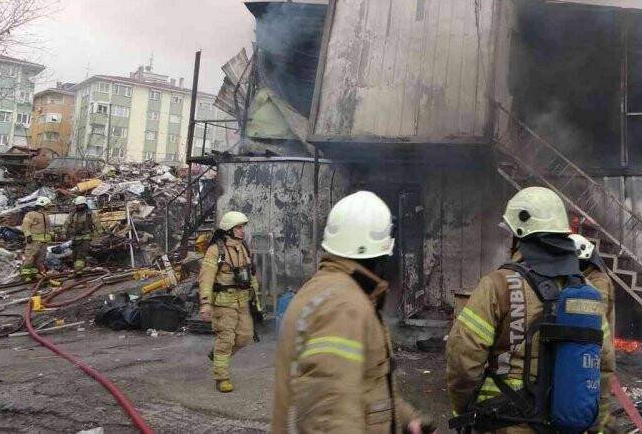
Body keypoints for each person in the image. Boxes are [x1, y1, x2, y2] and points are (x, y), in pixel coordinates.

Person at [446, 186, 610, 433]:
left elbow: (463, 358)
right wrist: (598, 424)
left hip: (504, 424)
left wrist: (462, 409)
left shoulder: (498, 284)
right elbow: (602, 363)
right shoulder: (587, 291)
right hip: (566, 426)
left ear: (518, 234)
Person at [272, 190, 429, 434]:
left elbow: (362, 385)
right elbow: (330, 416)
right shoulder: (343, 307)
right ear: (378, 252)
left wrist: (406, 418)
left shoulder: (329, 291)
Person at [198, 211, 260, 393]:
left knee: (245, 337)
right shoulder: (216, 250)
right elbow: (206, 278)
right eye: (239, 227)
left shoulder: (243, 248)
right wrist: (206, 303)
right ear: (229, 229)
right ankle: (222, 378)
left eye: (243, 227)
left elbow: (251, 274)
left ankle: (217, 356)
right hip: (223, 304)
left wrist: (256, 297)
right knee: (226, 340)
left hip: (242, 302)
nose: (243, 231)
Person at [573, 233, 615, 432]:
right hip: (597, 349)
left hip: (596, 349)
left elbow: (595, 319)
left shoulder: (597, 281)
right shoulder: (593, 277)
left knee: (596, 400)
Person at [20, 196, 53, 283]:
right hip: (34, 241)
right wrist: (28, 235)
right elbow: (25, 226)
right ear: (42, 204)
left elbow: (49, 228)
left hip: (44, 242)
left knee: (39, 260)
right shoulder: (31, 214)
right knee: (30, 258)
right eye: (47, 205)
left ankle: (34, 274)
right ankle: (26, 275)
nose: (49, 207)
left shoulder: (46, 216)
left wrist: (52, 235)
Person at [65, 196, 95, 272]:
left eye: (82, 205)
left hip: (86, 236)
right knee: (74, 254)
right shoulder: (73, 214)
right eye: (78, 205)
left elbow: (96, 223)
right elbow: (67, 223)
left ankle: (78, 270)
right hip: (75, 237)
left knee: (82, 253)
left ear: (85, 205)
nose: (80, 206)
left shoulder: (89, 214)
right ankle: (78, 268)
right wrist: (64, 232)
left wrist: (100, 233)